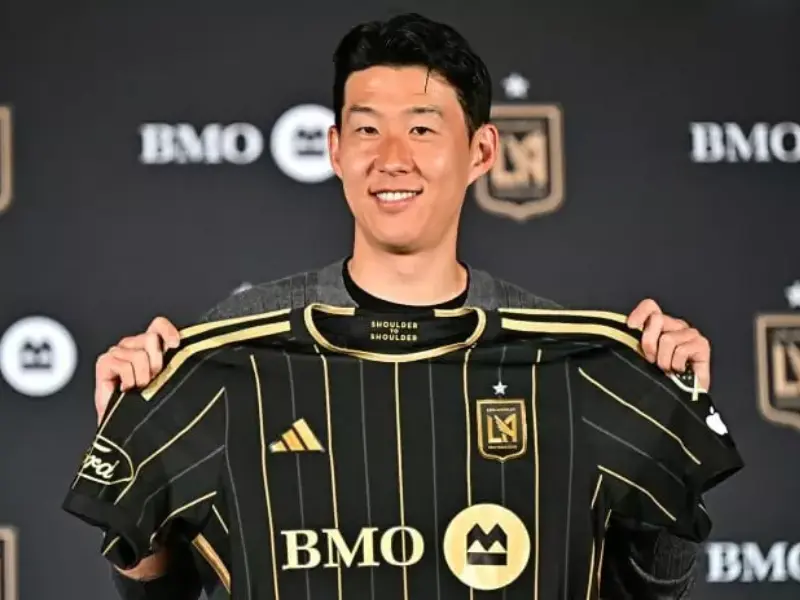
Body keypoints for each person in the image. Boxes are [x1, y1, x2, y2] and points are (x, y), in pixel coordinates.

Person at [92, 13, 715, 600]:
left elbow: (650, 590)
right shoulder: (233, 343)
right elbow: (160, 592)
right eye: (367, 129)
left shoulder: (563, 362)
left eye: (422, 128)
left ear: (481, 151)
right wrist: (136, 443)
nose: (392, 158)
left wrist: (666, 426)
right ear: (336, 149)